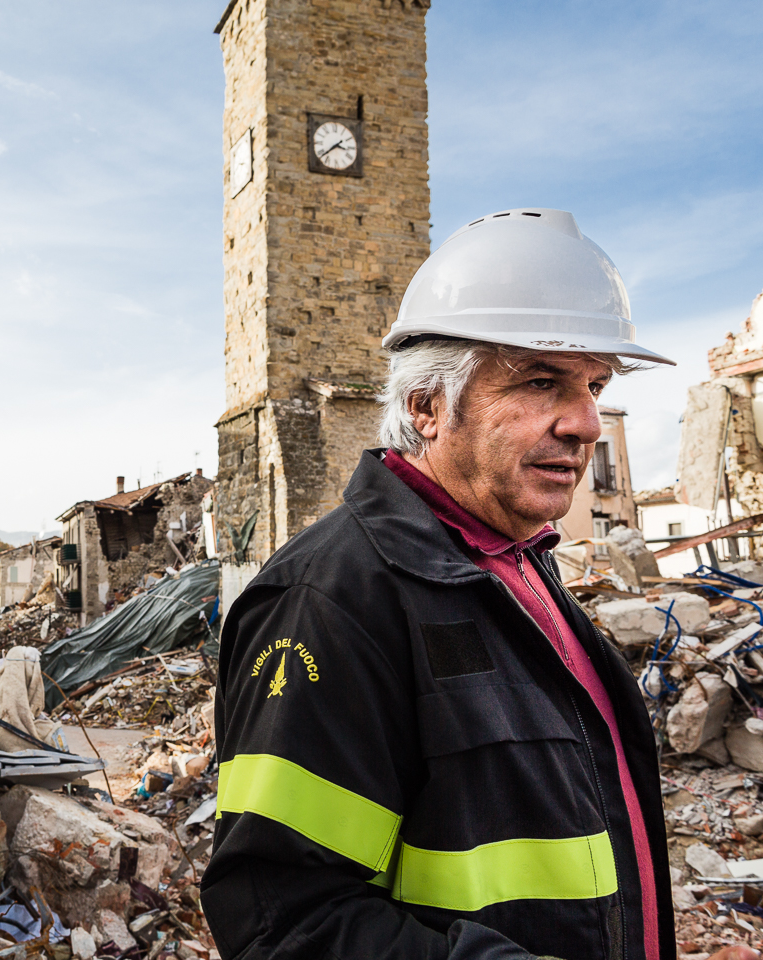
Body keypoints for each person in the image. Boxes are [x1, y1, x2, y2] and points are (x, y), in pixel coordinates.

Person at [202, 208, 757, 960]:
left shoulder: (516, 562)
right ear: (425, 407)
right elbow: (284, 922)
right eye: (540, 382)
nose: (587, 422)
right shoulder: (332, 600)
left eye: (594, 384)